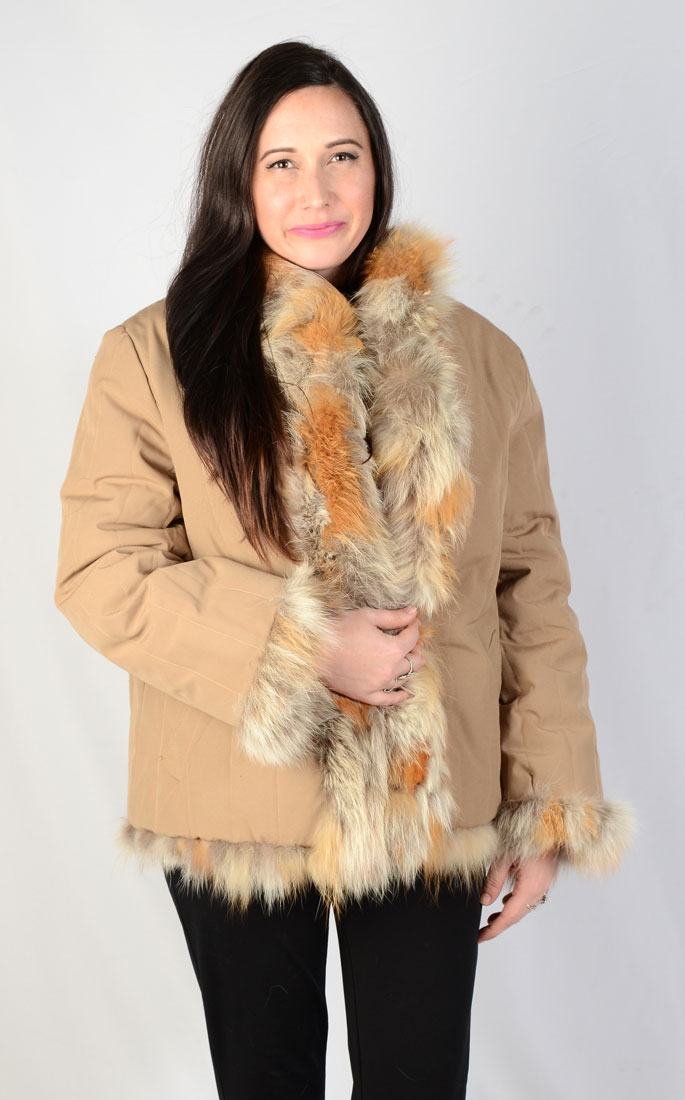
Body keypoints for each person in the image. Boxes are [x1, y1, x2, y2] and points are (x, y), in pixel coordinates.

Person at [54, 39, 637, 1100]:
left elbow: (530, 585)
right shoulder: (154, 355)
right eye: (280, 163)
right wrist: (303, 644)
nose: (316, 192)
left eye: (342, 156)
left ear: (378, 167)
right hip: (235, 801)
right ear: (237, 179)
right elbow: (102, 569)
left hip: (430, 799)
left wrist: (548, 806)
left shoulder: (483, 356)